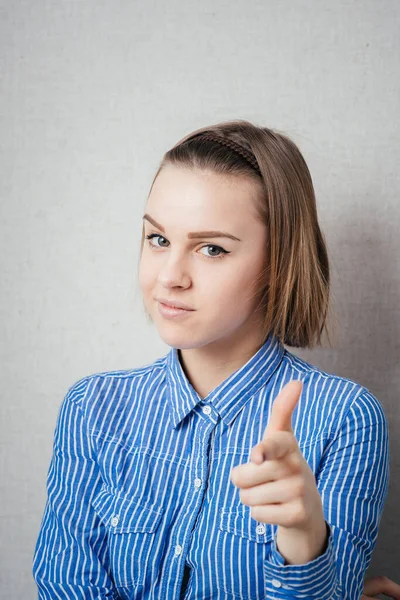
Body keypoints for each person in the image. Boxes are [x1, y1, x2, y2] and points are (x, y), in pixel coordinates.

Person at [33, 120, 392, 599]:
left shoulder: (345, 420)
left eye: (211, 249)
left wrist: (305, 544)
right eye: (158, 239)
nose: (170, 277)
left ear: (279, 263)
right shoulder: (92, 409)